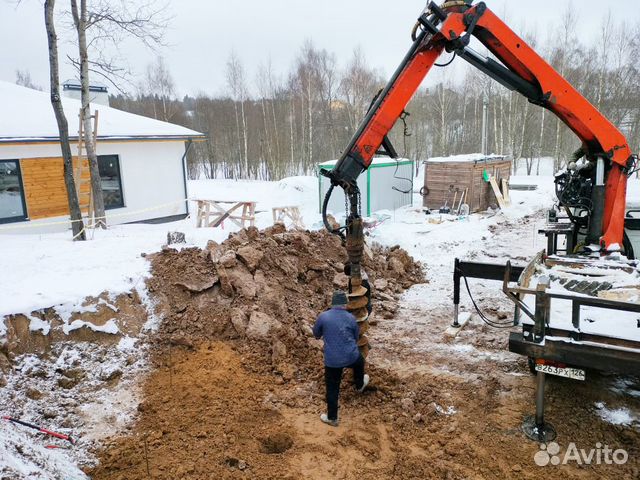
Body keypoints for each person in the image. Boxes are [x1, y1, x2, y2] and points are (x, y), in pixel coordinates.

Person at [313, 289, 370, 427]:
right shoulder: (351, 318)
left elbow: (316, 334)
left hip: (332, 361)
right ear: (345, 304)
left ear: (332, 303)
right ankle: (360, 384)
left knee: (332, 387)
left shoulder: (323, 316)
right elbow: (356, 338)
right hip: (351, 356)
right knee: (360, 361)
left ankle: (332, 418)